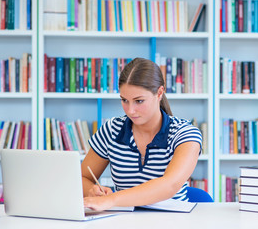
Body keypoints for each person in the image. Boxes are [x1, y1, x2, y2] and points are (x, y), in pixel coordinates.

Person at [82, 57, 202, 211]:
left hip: (172, 222)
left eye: (139, 101)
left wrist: (112, 199)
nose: (130, 110)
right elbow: (83, 177)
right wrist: (91, 190)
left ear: (159, 93)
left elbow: (169, 185)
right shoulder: (112, 129)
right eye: (124, 100)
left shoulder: (185, 134)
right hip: (123, 221)